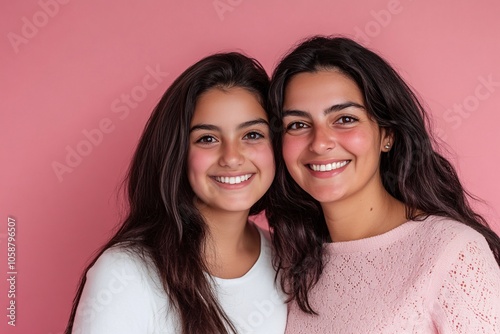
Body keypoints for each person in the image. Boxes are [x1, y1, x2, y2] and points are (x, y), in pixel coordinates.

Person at [267, 36, 500, 333]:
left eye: (345, 119)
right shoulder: (290, 263)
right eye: (298, 125)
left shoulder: (452, 252)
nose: (321, 142)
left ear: (387, 135)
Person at [65, 52, 287, 334]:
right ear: (177, 153)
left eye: (252, 135)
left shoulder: (287, 261)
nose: (232, 157)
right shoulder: (125, 272)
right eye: (207, 138)